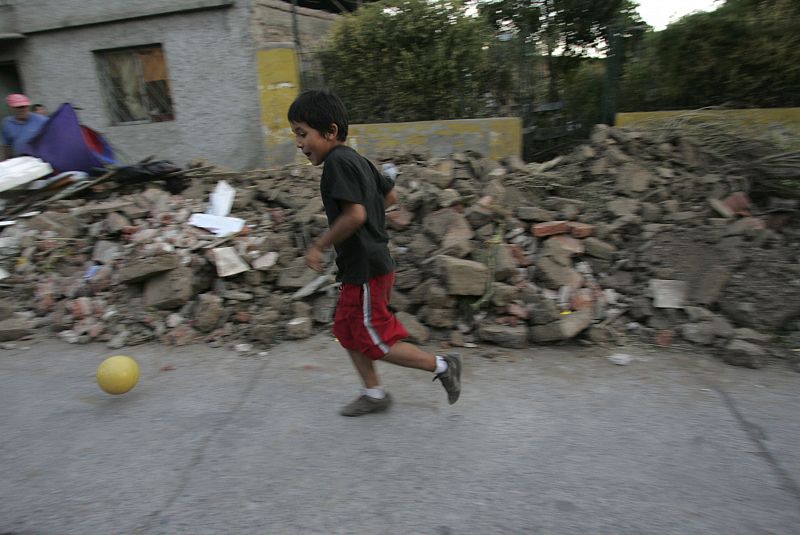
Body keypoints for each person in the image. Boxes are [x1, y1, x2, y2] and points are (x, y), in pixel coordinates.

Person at [288, 89, 462, 417]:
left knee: (375, 341)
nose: (299, 143)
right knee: (347, 331)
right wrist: (370, 220)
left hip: (366, 267)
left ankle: (443, 365)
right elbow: (390, 197)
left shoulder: (337, 163)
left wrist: (318, 245)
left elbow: (355, 215)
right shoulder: (359, 160)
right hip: (364, 265)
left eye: (303, 133)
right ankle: (374, 393)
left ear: (331, 132)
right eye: (296, 134)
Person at [1, 94, 48, 160]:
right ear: (11, 108)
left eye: (24, 106)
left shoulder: (42, 120)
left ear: (28, 107)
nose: (22, 109)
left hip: (40, 160)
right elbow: (6, 145)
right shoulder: (7, 123)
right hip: (19, 161)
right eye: (18, 107)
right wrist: (6, 161)